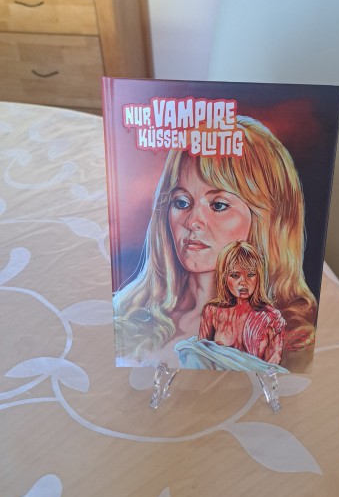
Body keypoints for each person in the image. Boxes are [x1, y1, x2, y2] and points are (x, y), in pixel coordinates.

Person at [113, 115, 317, 366]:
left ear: (269, 219)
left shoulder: (288, 334)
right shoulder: (127, 313)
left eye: (218, 205)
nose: (192, 221)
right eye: (181, 202)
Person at [199, 241, 286, 365]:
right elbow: (200, 357)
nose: (243, 282)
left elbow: (273, 366)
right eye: (235, 275)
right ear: (224, 278)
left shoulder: (272, 318)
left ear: (259, 277)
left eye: (250, 274)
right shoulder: (212, 311)